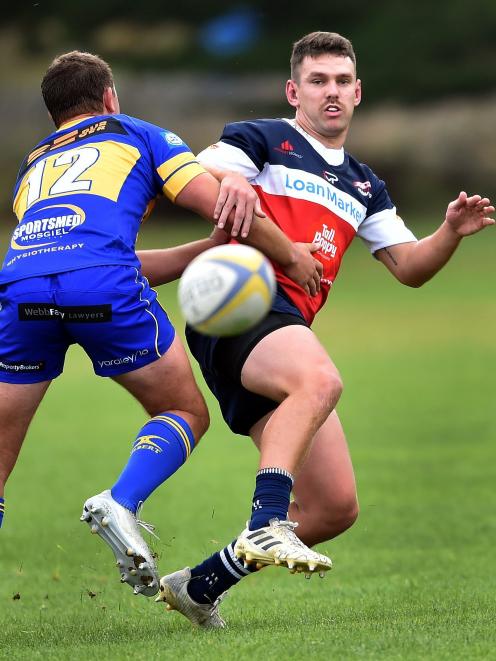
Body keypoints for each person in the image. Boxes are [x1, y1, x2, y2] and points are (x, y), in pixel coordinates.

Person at [141, 31, 494, 627]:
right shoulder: (260, 139)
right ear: (294, 90)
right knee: (322, 380)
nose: (330, 93)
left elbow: (409, 267)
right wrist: (232, 184)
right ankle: (265, 522)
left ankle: (199, 586)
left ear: (358, 93)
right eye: (317, 81)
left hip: (283, 334)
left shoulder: (364, 184)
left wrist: (450, 234)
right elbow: (204, 178)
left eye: (341, 82)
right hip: (240, 306)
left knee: (334, 507)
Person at [0, 51, 323, 598]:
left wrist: (206, 252)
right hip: (100, 291)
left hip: (22, 294)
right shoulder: (138, 134)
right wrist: (290, 256)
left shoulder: (32, 167)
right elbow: (217, 200)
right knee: (184, 411)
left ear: (55, 113)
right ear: (109, 98)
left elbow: (85, 258)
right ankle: (120, 501)